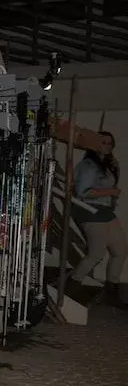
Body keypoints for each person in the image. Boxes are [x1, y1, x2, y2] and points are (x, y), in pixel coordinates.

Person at [69, 131, 128, 309]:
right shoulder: (88, 165)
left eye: (110, 143)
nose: (107, 146)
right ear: (94, 144)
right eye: (103, 142)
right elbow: (83, 193)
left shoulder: (108, 164)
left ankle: (111, 293)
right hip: (89, 211)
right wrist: (110, 192)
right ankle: (70, 288)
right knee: (96, 254)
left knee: (120, 250)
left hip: (105, 212)